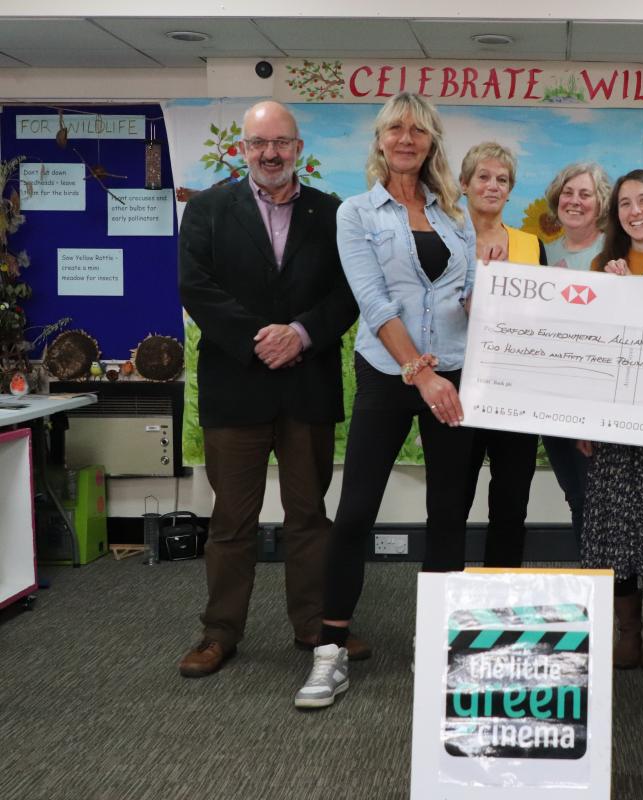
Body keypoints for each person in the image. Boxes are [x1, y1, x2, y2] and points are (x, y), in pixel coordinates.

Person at [294, 93, 476, 709]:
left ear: (430, 142)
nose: (406, 137)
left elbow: (470, 297)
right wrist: (418, 374)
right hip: (387, 376)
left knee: (449, 516)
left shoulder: (456, 216)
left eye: (418, 129)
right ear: (379, 140)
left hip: (454, 375)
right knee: (354, 516)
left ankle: (439, 646)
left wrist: (499, 303)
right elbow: (374, 303)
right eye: (395, 128)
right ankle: (330, 652)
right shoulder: (356, 213)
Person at [176, 100, 360, 678]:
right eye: (259, 143)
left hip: (307, 385)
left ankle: (313, 627)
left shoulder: (333, 214)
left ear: (298, 148)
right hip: (236, 384)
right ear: (243, 150)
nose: (271, 153)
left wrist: (301, 333)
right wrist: (259, 338)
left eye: (281, 142)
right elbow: (195, 288)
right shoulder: (207, 210)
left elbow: (351, 292)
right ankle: (219, 633)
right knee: (233, 519)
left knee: (309, 515)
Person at [581, 169, 643, 669]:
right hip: (615, 426)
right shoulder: (604, 265)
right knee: (614, 528)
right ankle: (626, 629)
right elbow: (594, 352)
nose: (634, 211)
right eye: (624, 203)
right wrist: (586, 422)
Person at [459, 142, 546, 567]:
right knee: (451, 503)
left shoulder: (531, 245)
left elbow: (543, 317)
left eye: (503, 180)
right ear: (464, 184)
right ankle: (447, 604)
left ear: (510, 191)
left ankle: (500, 607)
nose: (493, 186)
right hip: (458, 388)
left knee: (511, 505)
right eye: (484, 177)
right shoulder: (445, 239)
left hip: (517, 392)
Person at [539, 162, 612, 545]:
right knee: (578, 498)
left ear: (601, 204)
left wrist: (593, 416)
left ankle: (618, 596)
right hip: (552, 401)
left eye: (586, 194)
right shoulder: (542, 255)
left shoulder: (614, 253)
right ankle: (596, 592)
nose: (575, 201)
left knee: (603, 502)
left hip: (600, 402)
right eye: (568, 193)